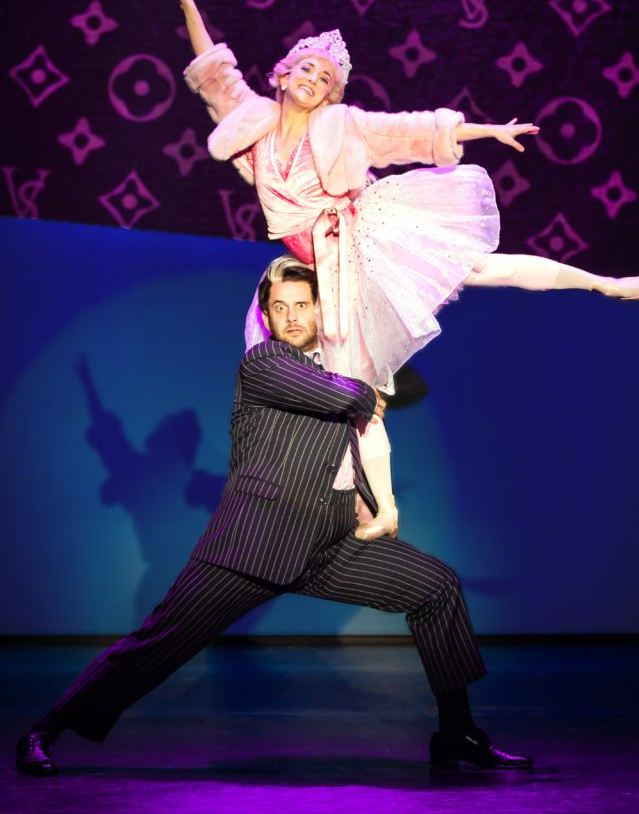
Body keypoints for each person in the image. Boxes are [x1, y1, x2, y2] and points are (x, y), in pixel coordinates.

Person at [168, 0, 639, 542]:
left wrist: (487, 131)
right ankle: (381, 511)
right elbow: (214, 74)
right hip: (323, 268)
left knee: (479, 267)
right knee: (354, 388)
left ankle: (607, 284)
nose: (312, 78)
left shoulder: (343, 125)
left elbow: (407, 130)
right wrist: (188, 1)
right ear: (282, 74)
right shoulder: (251, 123)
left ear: (333, 93)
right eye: (305, 67)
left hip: (361, 234)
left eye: (325, 77)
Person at [16, 260, 533, 777]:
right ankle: (46, 729)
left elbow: (384, 400)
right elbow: (348, 395)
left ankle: (457, 731)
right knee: (159, 643)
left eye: (301, 305)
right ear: (266, 315)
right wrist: (366, 388)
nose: (290, 316)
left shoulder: (341, 357)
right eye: (279, 307)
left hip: (328, 545)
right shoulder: (264, 362)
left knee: (436, 585)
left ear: (320, 309)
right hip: (251, 546)